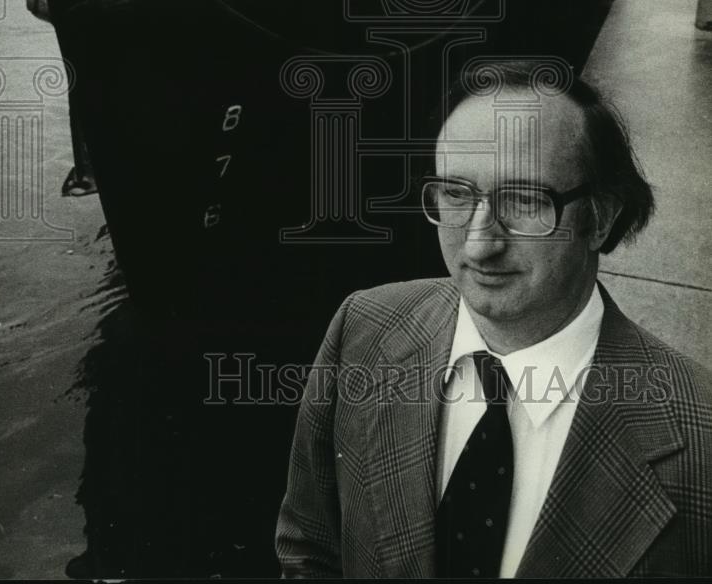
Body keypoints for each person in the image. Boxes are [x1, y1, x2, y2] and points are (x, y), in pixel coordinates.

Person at [275, 59, 712, 578]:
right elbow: (309, 551)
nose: (481, 243)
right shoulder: (364, 328)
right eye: (456, 194)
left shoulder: (699, 444)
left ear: (603, 217)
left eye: (525, 200)